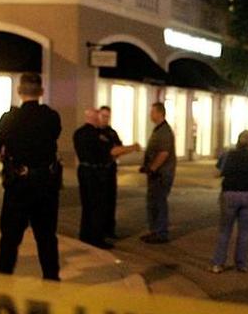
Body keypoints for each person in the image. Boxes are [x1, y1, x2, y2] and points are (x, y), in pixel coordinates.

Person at [0, 73, 63, 281]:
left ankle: (4, 281)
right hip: (46, 184)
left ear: (19, 92)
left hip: (18, 184)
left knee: (10, 237)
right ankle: (51, 281)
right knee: (47, 237)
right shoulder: (51, 116)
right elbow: (54, 135)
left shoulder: (9, 117)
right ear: (41, 92)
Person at [74, 108, 138, 248]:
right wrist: (133, 147)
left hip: (84, 171)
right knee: (97, 206)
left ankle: (85, 235)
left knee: (87, 206)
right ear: (94, 118)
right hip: (96, 173)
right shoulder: (96, 135)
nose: (101, 120)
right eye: (99, 117)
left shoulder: (78, 133)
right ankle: (96, 238)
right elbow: (112, 150)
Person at [211, 129, 248, 273]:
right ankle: (242, 264)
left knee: (225, 231)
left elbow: (216, 174)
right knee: (245, 232)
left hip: (229, 195)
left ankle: (218, 264)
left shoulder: (228, 156)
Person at [139, 102, 176, 244]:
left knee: (158, 202)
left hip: (161, 175)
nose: (150, 114)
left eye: (152, 112)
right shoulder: (158, 130)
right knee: (153, 202)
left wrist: (152, 168)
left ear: (160, 113)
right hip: (157, 173)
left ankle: (160, 232)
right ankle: (155, 231)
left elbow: (164, 153)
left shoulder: (164, 131)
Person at [97, 106, 129, 239]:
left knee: (111, 201)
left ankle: (110, 229)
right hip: (99, 172)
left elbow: (118, 148)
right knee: (100, 202)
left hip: (110, 171)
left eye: (107, 116)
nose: (105, 119)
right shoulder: (94, 132)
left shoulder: (111, 133)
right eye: (103, 116)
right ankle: (100, 229)